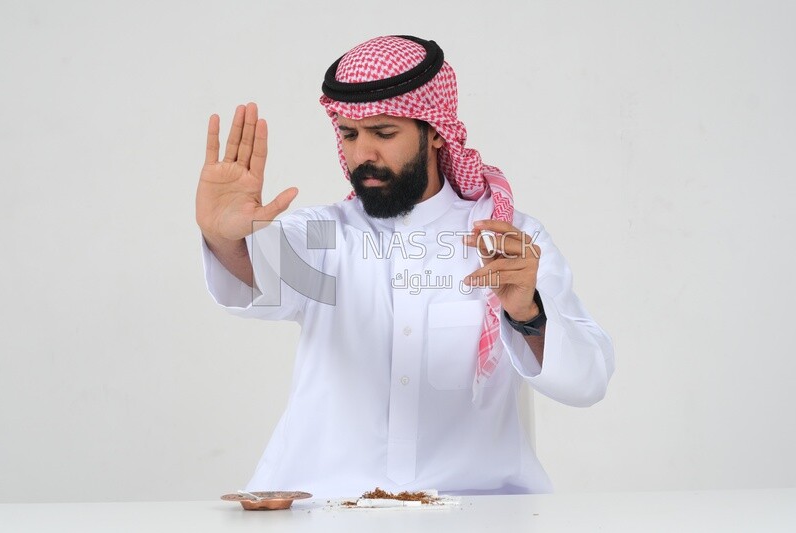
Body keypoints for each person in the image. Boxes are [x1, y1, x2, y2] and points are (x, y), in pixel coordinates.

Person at [196, 35, 614, 497]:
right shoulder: (325, 236)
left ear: (435, 130)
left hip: (476, 513)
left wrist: (528, 313)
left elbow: (587, 382)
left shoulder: (511, 241)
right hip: (327, 508)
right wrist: (223, 235)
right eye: (349, 135)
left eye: (384, 133)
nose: (362, 155)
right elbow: (255, 275)